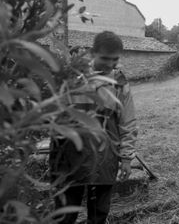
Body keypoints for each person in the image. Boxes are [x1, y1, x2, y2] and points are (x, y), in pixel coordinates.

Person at [50, 31, 137, 223]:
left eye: (115, 59)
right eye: (105, 58)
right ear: (92, 53)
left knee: (98, 214)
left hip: (105, 157)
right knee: (65, 214)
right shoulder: (72, 76)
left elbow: (127, 122)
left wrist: (126, 158)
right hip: (70, 155)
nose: (110, 64)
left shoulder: (119, 83)